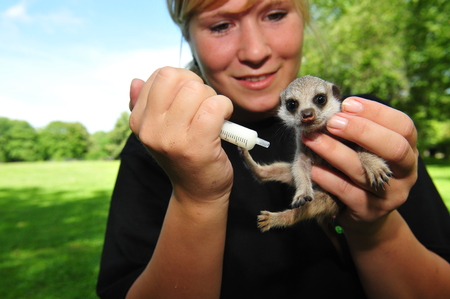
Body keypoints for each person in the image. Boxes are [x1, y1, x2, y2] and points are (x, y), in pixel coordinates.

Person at [96, 0, 450, 298]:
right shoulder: (156, 145)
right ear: (186, 37)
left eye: (275, 14)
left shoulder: (373, 126)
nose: (255, 51)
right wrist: (196, 199)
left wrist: (373, 227)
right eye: (220, 25)